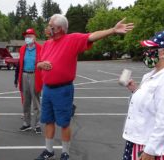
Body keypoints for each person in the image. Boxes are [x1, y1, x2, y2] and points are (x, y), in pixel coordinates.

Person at [35, 14, 134, 160]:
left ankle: (65, 153)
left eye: (51, 25)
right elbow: (38, 63)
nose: (47, 28)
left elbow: (92, 36)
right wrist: (40, 65)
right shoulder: (47, 44)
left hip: (63, 90)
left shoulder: (71, 39)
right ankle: (49, 151)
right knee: (48, 121)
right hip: (48, 89)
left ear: (60, 29)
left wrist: (113, 30)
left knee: (64, 123)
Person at [122, 31, 164, 160]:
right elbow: (148, 106)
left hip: (155, 148)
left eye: (151, 48)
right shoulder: (151, 75)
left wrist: (150, 151)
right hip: (140, 141)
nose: (147, 52)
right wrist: (135, 91)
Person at [14, 28, 43, 134]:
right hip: (24, 75)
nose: (27, 38)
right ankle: (26, 123)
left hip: (35, 75)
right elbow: (19, 64)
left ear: (34, 37)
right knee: (26, 101)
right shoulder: (22, 49)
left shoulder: (40, 48)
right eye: (26, 36)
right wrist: (17, 78)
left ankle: (37, 124)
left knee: (36, 101)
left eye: (29, 36)